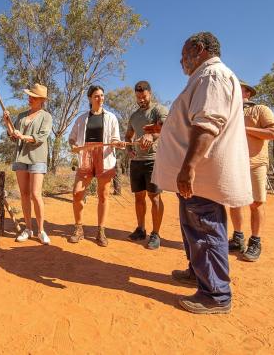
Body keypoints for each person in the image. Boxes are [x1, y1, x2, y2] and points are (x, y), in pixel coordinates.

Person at [151, 32, 252, 314]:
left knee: (205, 229)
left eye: (184, 53)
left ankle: (216, 295)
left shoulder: (212, 76)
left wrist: (188, 167)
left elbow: (207, 124)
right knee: (194, 228)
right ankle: (198, 272)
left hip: (201, 177)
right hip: (196, 179)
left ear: (198, 49)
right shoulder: (204, 77)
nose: (181, 60)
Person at [68, 85, 126, 247]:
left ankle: (101, 231)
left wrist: (118, 143)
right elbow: (71, 138)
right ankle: (78, 228)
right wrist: (73, 145)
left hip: (105, 157)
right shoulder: (81, 119)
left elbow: (115, 139)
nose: (100, 98)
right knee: (77, 193)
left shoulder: (111, 117)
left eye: (102, 95)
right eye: (96, 96)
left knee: (103, 195)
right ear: (89, 99)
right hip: (85, 155)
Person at [228, 80, 274, 261]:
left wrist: (244, 128)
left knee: (256, 203)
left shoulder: (260, 110)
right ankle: (237, 238)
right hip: (233, 164)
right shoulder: (229, 113)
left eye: (237, 88)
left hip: (255, 163)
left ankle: (255, 241)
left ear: (247, 93)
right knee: (234, 202)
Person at [4, 83, 53, 245]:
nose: (29, 98)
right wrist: (7, 122)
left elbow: (41, 137)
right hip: (21, 158)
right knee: (24, 194)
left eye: (33, 96)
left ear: (41, 100)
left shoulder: (46, 116)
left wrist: (23, 136)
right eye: (29, 96)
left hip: (37, 158)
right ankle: (28, 229)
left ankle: (41, 230)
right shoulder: (22, 116)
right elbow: (13, 135)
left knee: (35, 194)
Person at [125, 80, 169, 249]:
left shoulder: (158, 110)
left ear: (150, 93)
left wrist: (151, 136)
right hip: (137, 162)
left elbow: (165, 127)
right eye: (138, 97)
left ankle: (156, 234)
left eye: (143, 96)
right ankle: (141, 229)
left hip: (154, 160)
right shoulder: (134, 116)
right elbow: (128, 136)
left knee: (154, 197)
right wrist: (129, 149)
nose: (141, 100)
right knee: (139, 197)